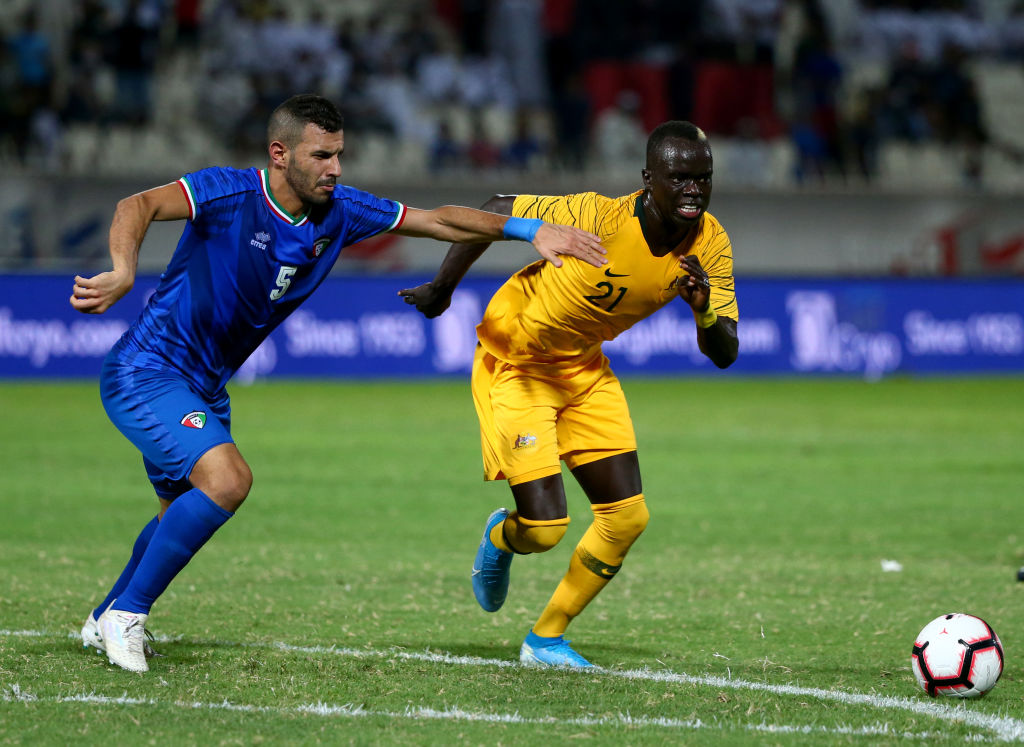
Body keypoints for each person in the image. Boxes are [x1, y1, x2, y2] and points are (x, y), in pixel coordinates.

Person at [69, 93, 605, 673]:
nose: (336, 168)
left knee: (177, 511)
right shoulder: (227, 192)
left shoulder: (342, 211)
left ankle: (103, 619)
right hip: (147, 371)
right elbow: (136, 204)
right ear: (280, 154)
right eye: (322, 155)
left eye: (340, 155)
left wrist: (527, 230)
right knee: (227, 480)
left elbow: (436, 219)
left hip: (204, 387)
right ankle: (130, 616)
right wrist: (123, 271)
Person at [400, 120, 738, 668]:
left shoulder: (711, 244)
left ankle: (545, 640)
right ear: (648, 179)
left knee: (626, 519)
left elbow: (724, 351)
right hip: (516, 363)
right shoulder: (596, 215)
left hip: (583, 371)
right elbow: (495, 205)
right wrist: (442, 288)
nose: (693, 190)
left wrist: (702, 309)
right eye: (679, 178)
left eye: (703, 179)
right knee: (545, 528)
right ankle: (502, 538)